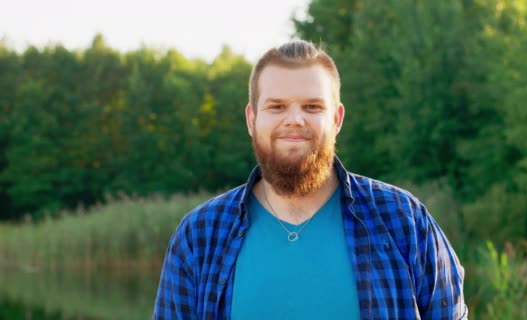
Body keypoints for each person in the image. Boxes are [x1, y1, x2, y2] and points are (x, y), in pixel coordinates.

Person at [154, 39, 468, 320]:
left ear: (337, 119)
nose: (294, 119)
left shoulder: (403, 221)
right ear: (252, 119)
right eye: (276, 106)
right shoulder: (200, 235)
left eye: (312, 106)